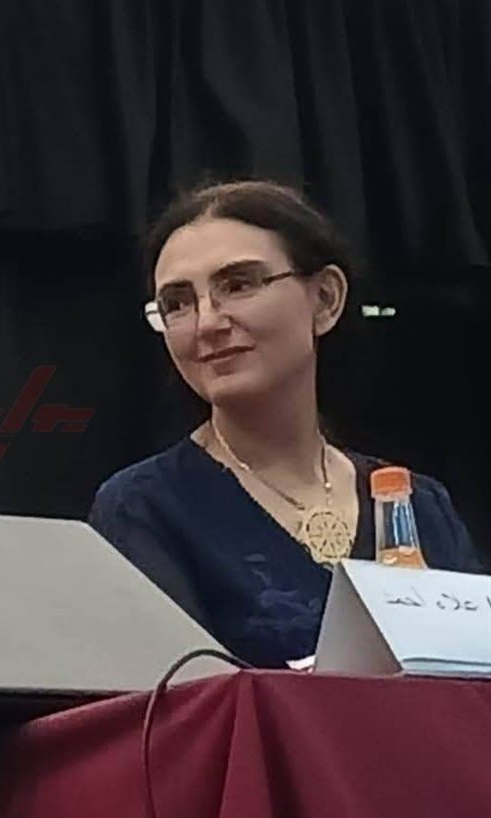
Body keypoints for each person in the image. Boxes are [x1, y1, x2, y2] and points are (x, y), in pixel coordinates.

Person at [88, 180, 484, 669]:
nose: (206, 322)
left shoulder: (421, 506)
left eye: (238, 285)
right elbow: (176, 706)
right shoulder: (143, 508)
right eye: (177, 303)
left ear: (326, 299)